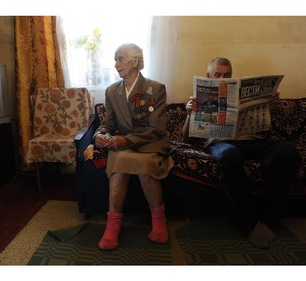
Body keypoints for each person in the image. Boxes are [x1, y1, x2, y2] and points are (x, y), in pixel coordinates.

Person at [182, 57, 302, 249]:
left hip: (253, 141)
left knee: (288, 152)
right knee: (230, 155)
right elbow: (186, 139)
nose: (223, 78)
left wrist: (267, 106)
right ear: (208, 77)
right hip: (222, 143)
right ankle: (251, 223)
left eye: (227, 75)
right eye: (218, 75)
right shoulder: (198, 99)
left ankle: (269, 219)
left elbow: (264, 129)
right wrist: (190, 114)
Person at [93, 43, 174, 251]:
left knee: (144, 163)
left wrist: (127, 140)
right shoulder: (112, 91)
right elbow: (108, 123)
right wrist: (100, 134)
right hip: (124, 144)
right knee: (119, 160)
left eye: (120, 59)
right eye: (115, 59)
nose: (115, 64)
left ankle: (158, 220)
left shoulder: (156, 89)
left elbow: (157, 128)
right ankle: (113, 225)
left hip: (149, 143)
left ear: (134, 61)